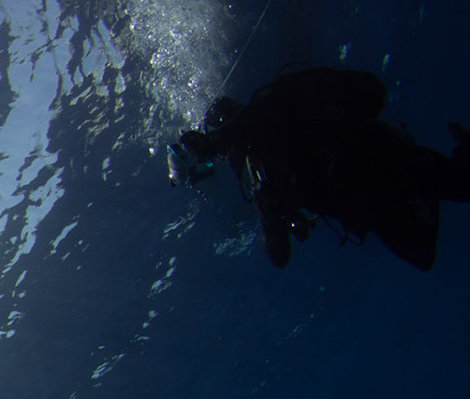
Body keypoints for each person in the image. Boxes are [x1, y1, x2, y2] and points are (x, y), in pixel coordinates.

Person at [168, 65, 470, 269]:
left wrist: (215, 141)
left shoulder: (267, 109)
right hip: (367, 202)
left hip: (383, 160)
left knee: (460, 186)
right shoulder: (259, 175)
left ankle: (457, 158)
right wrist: (269, 217)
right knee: (423, 256)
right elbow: (279, 257)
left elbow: (261, 112)